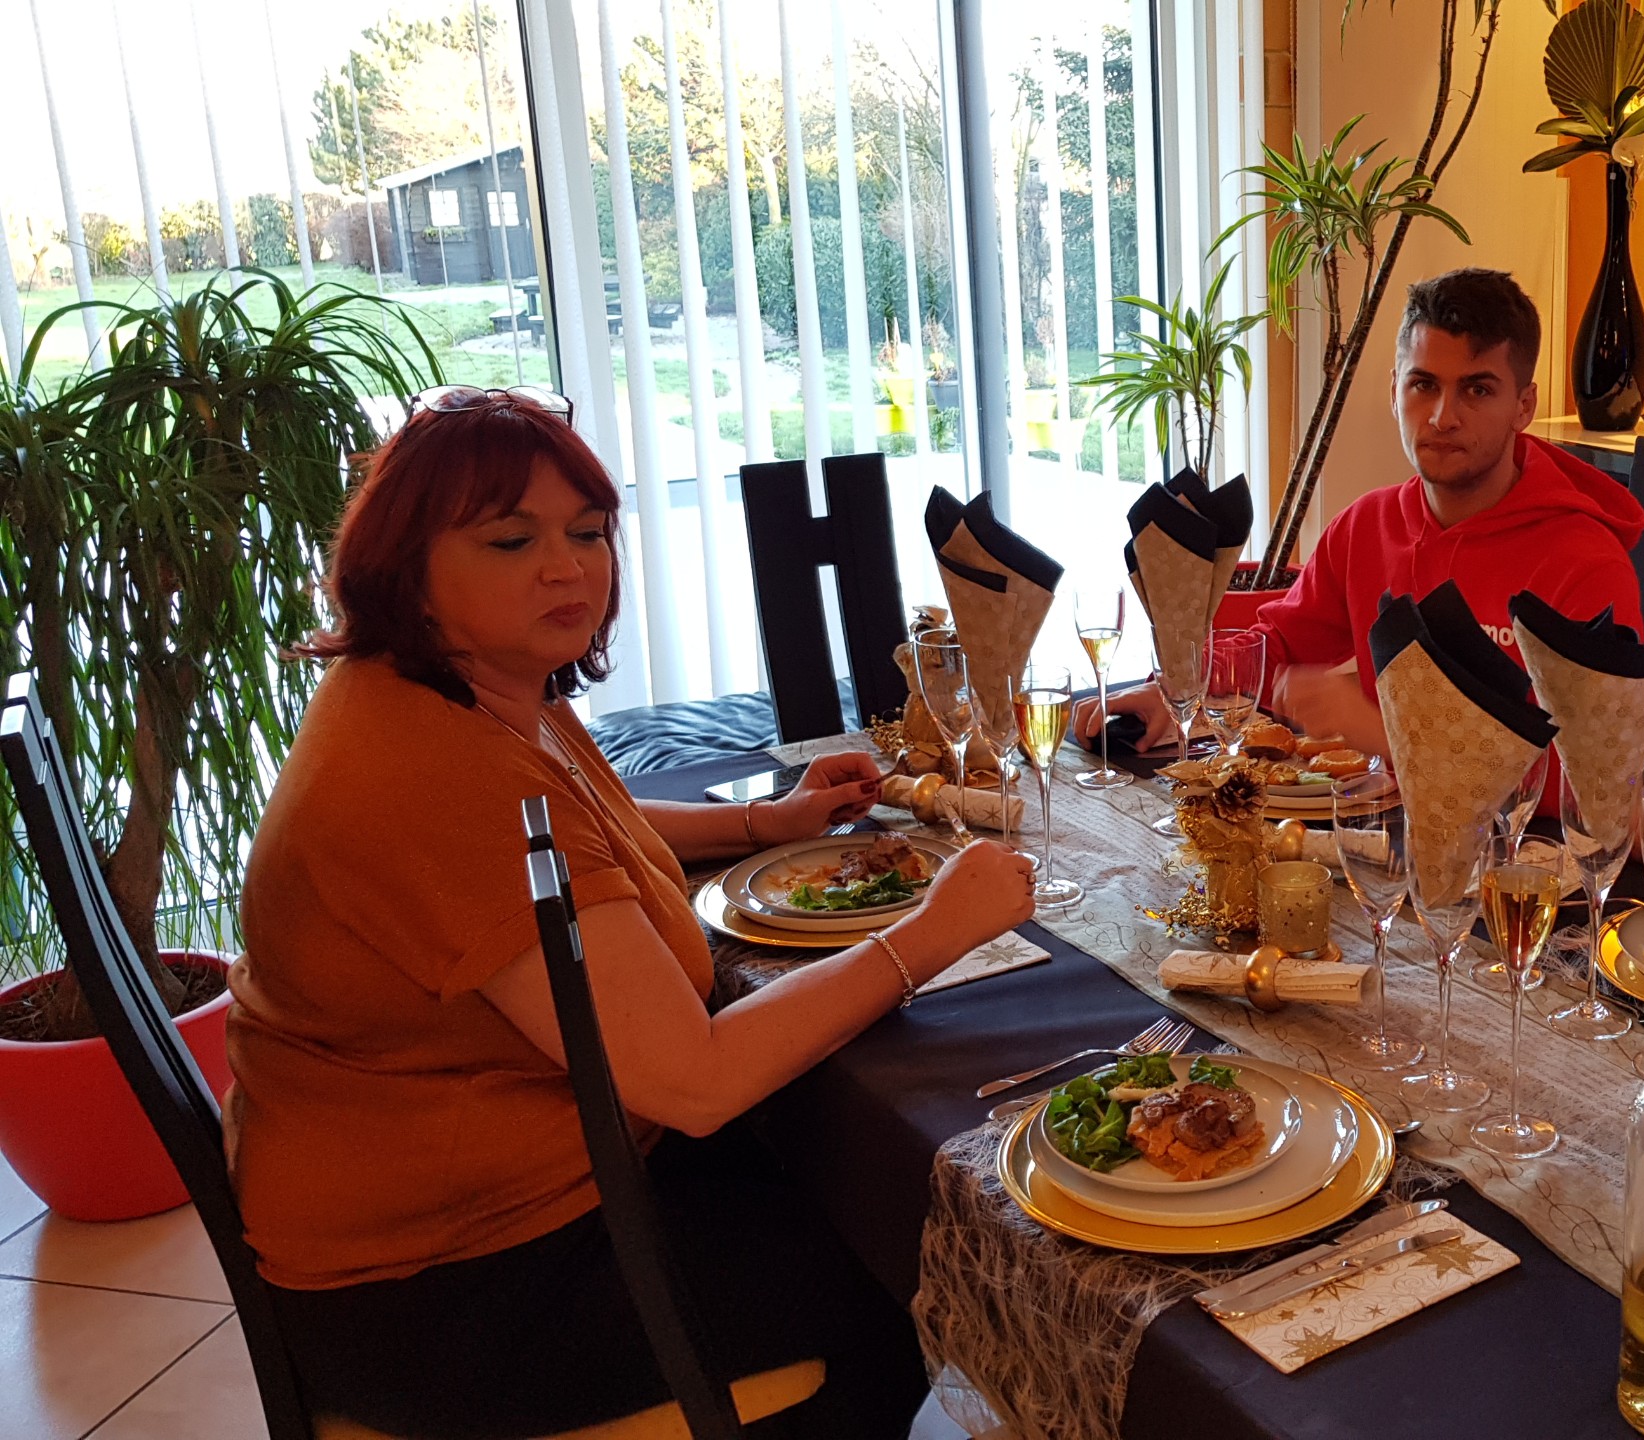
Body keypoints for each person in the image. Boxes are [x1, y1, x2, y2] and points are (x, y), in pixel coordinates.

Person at [224, 388, 1035, 1439]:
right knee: (906, 1262)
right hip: (445, 1290)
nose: (569, 568)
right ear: (405, 567)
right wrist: (931, 933)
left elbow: (575, 830)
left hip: (526, 1182)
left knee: (847, 1158)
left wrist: (761, 824)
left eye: (589, 531)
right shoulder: (430, 773)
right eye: (511, 540)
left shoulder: (463, 689)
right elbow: (692, 1082)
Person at [1077, 266, 1644, 757]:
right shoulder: (1364, 528)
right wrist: (1182, 691)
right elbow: (1275, 643)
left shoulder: (1585, 565)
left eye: (1477, 390)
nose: (1443, 416)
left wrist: (1386, 735)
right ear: (1394, 390)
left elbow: (1593, 779)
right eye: (1424, 385)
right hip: (1373, 834)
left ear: (1524, 405)